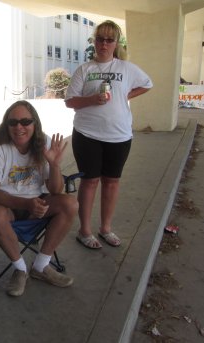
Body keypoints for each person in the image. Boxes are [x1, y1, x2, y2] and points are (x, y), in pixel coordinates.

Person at [65, 20, 153, 250]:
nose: (104, 44)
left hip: (119, 135)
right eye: (100, 39)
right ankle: (84, 231)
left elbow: (147, 84)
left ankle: (105, 228)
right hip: (87, 134)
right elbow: (70, 102)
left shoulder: (126, 68)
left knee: (112, 182)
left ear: (116, 43)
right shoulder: (85, 70)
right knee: (90, 181)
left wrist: (125, 95)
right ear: (94, 42)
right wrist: (92, 100)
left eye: (109, 39)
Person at [0, 100, 77, 297]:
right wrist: (26, 204)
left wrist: (55, 165)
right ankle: (20, 268)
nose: (19, 127)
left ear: (35, 123)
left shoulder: (45, 144)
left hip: (38, 202)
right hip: (7, 205)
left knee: (70, 203)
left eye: (25, 121)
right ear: (6, 125)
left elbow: (56, 190)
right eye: (13, 122)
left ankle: (41, 266)